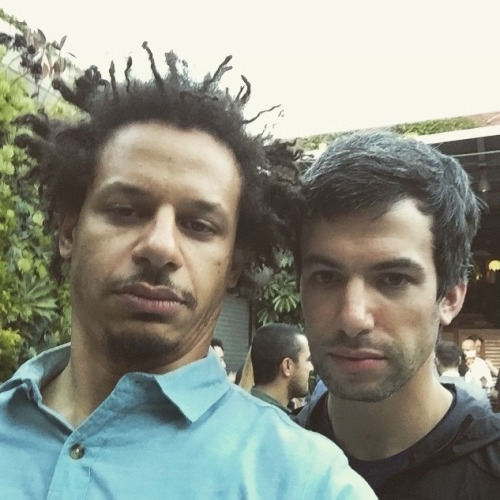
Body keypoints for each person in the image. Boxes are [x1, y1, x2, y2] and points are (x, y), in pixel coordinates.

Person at [0, 46, 375, 498]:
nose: (160, 247)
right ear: (68, 230)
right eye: (125, 210)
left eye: (199, 225)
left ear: (235, 264)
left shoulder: (307, 483)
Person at [295, 130, 500, 498]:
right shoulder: (260, 467)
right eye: (326, 277)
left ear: (450, 297)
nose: (353, 318)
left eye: (393, 279)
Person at [250, 323, 312, 414]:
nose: (311, 368)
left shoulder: (241, 408)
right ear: (287, 366)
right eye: (308, 360)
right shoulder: (275, 420)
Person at [435, 340, 491, 411]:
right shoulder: (479, 392)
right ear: (460, 360)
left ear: (436, 361)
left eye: (468, 350)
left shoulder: (428, 392)